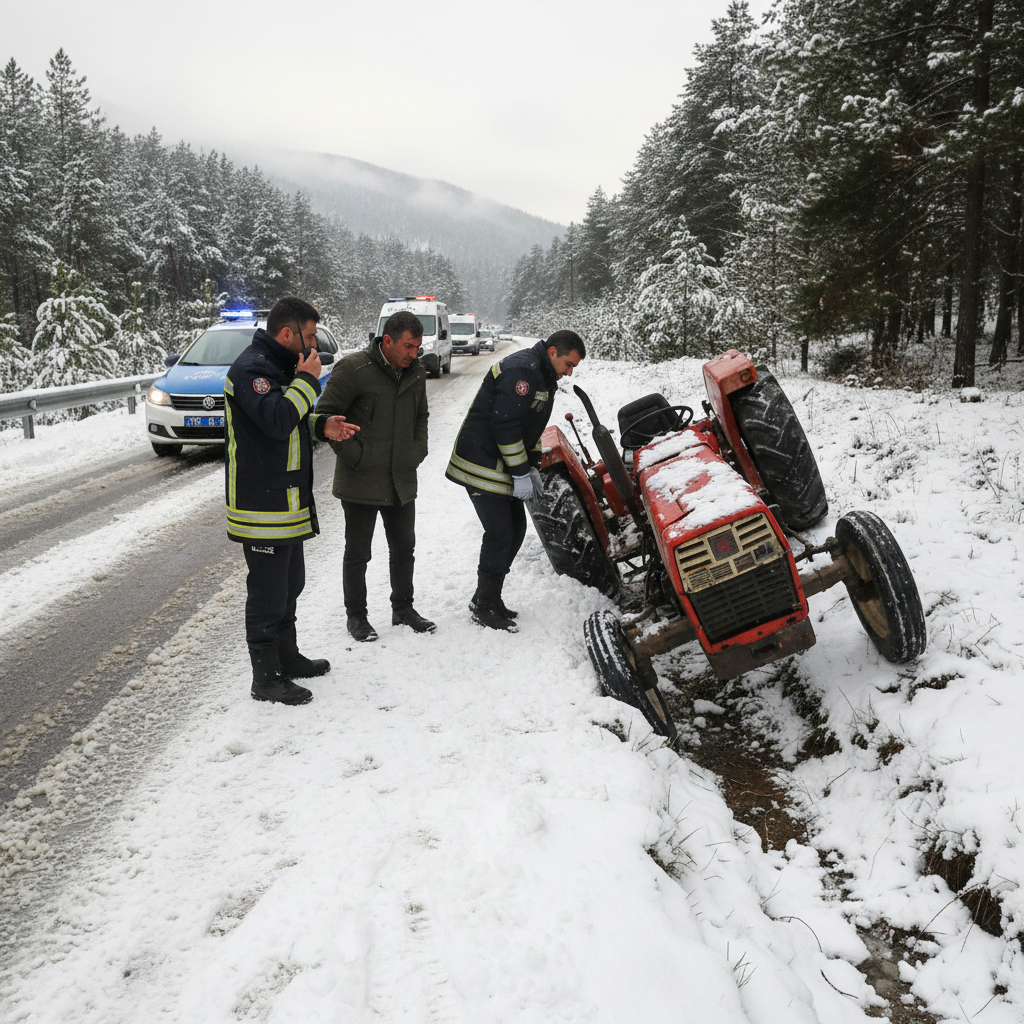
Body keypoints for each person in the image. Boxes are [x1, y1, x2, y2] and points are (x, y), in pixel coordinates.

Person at [224, 295, 358, 705]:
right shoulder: (252, 370)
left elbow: (290, 418)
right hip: (260, 507)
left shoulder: (280, 368)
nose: (314, 345)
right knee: (267, 595)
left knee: (290, 585)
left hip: (286, 503)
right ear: (288, 333)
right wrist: (307, 382)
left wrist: (321, 425)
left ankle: (287, 657)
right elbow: (277, 421)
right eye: (310, 336)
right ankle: (265, 680)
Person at [446, 330, 586, 631]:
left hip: (501, 462)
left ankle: (490, 597)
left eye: (573, 367)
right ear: (552, 352)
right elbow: (506, 426)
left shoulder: (544, 377)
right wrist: (520, 471)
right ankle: (483, 605)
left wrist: (531, 466)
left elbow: (530, 429)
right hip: (480, 461)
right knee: (500, 532)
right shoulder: (522, 371)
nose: (569, 372)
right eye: (568, 364)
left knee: (516, 529)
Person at [316, 309, 434, 642]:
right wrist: (358, 456)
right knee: (358, 553)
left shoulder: (417, 372)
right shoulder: (353, 369)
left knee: (404, 548)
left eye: (417, 347)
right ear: (387, 341)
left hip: (401, 479)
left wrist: (416, 451)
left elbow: (421, 417)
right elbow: (325, 418)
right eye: (409, 346)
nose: (414, 353)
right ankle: (357, 617)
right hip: (360, 480)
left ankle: (403, 609)